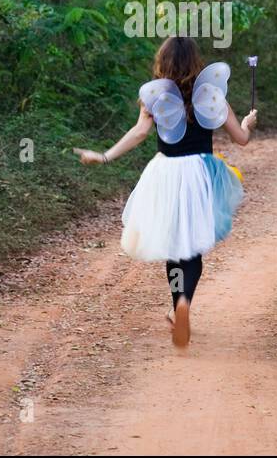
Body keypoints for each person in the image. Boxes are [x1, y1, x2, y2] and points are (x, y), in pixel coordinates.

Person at [74, 37, 257, 346]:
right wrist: (249, 122)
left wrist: (104, 156)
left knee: (174, 244)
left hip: (167, 174)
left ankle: (177, 305)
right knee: (193, 244)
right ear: (196, 62)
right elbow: (241, 139)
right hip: (200, 174)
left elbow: (139, 133)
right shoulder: (211, 94)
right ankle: (184, 305)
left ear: (163, 62)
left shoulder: (155, 96)